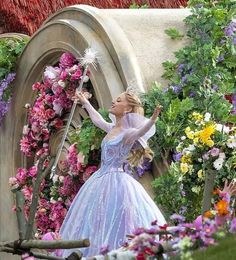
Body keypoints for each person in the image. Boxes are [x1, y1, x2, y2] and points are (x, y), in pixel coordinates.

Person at [59, 89, 166, 257]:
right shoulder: (111, 129)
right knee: (95, 219)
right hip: (99, 179)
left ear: (127, 109)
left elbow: (140, 132)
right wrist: (85, 102)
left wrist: (153, 119)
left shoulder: (127, 134)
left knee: (119, 217)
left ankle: (121, 253)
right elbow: (97, 119)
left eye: (118, 100)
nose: (114, 102)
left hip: (117, 180)